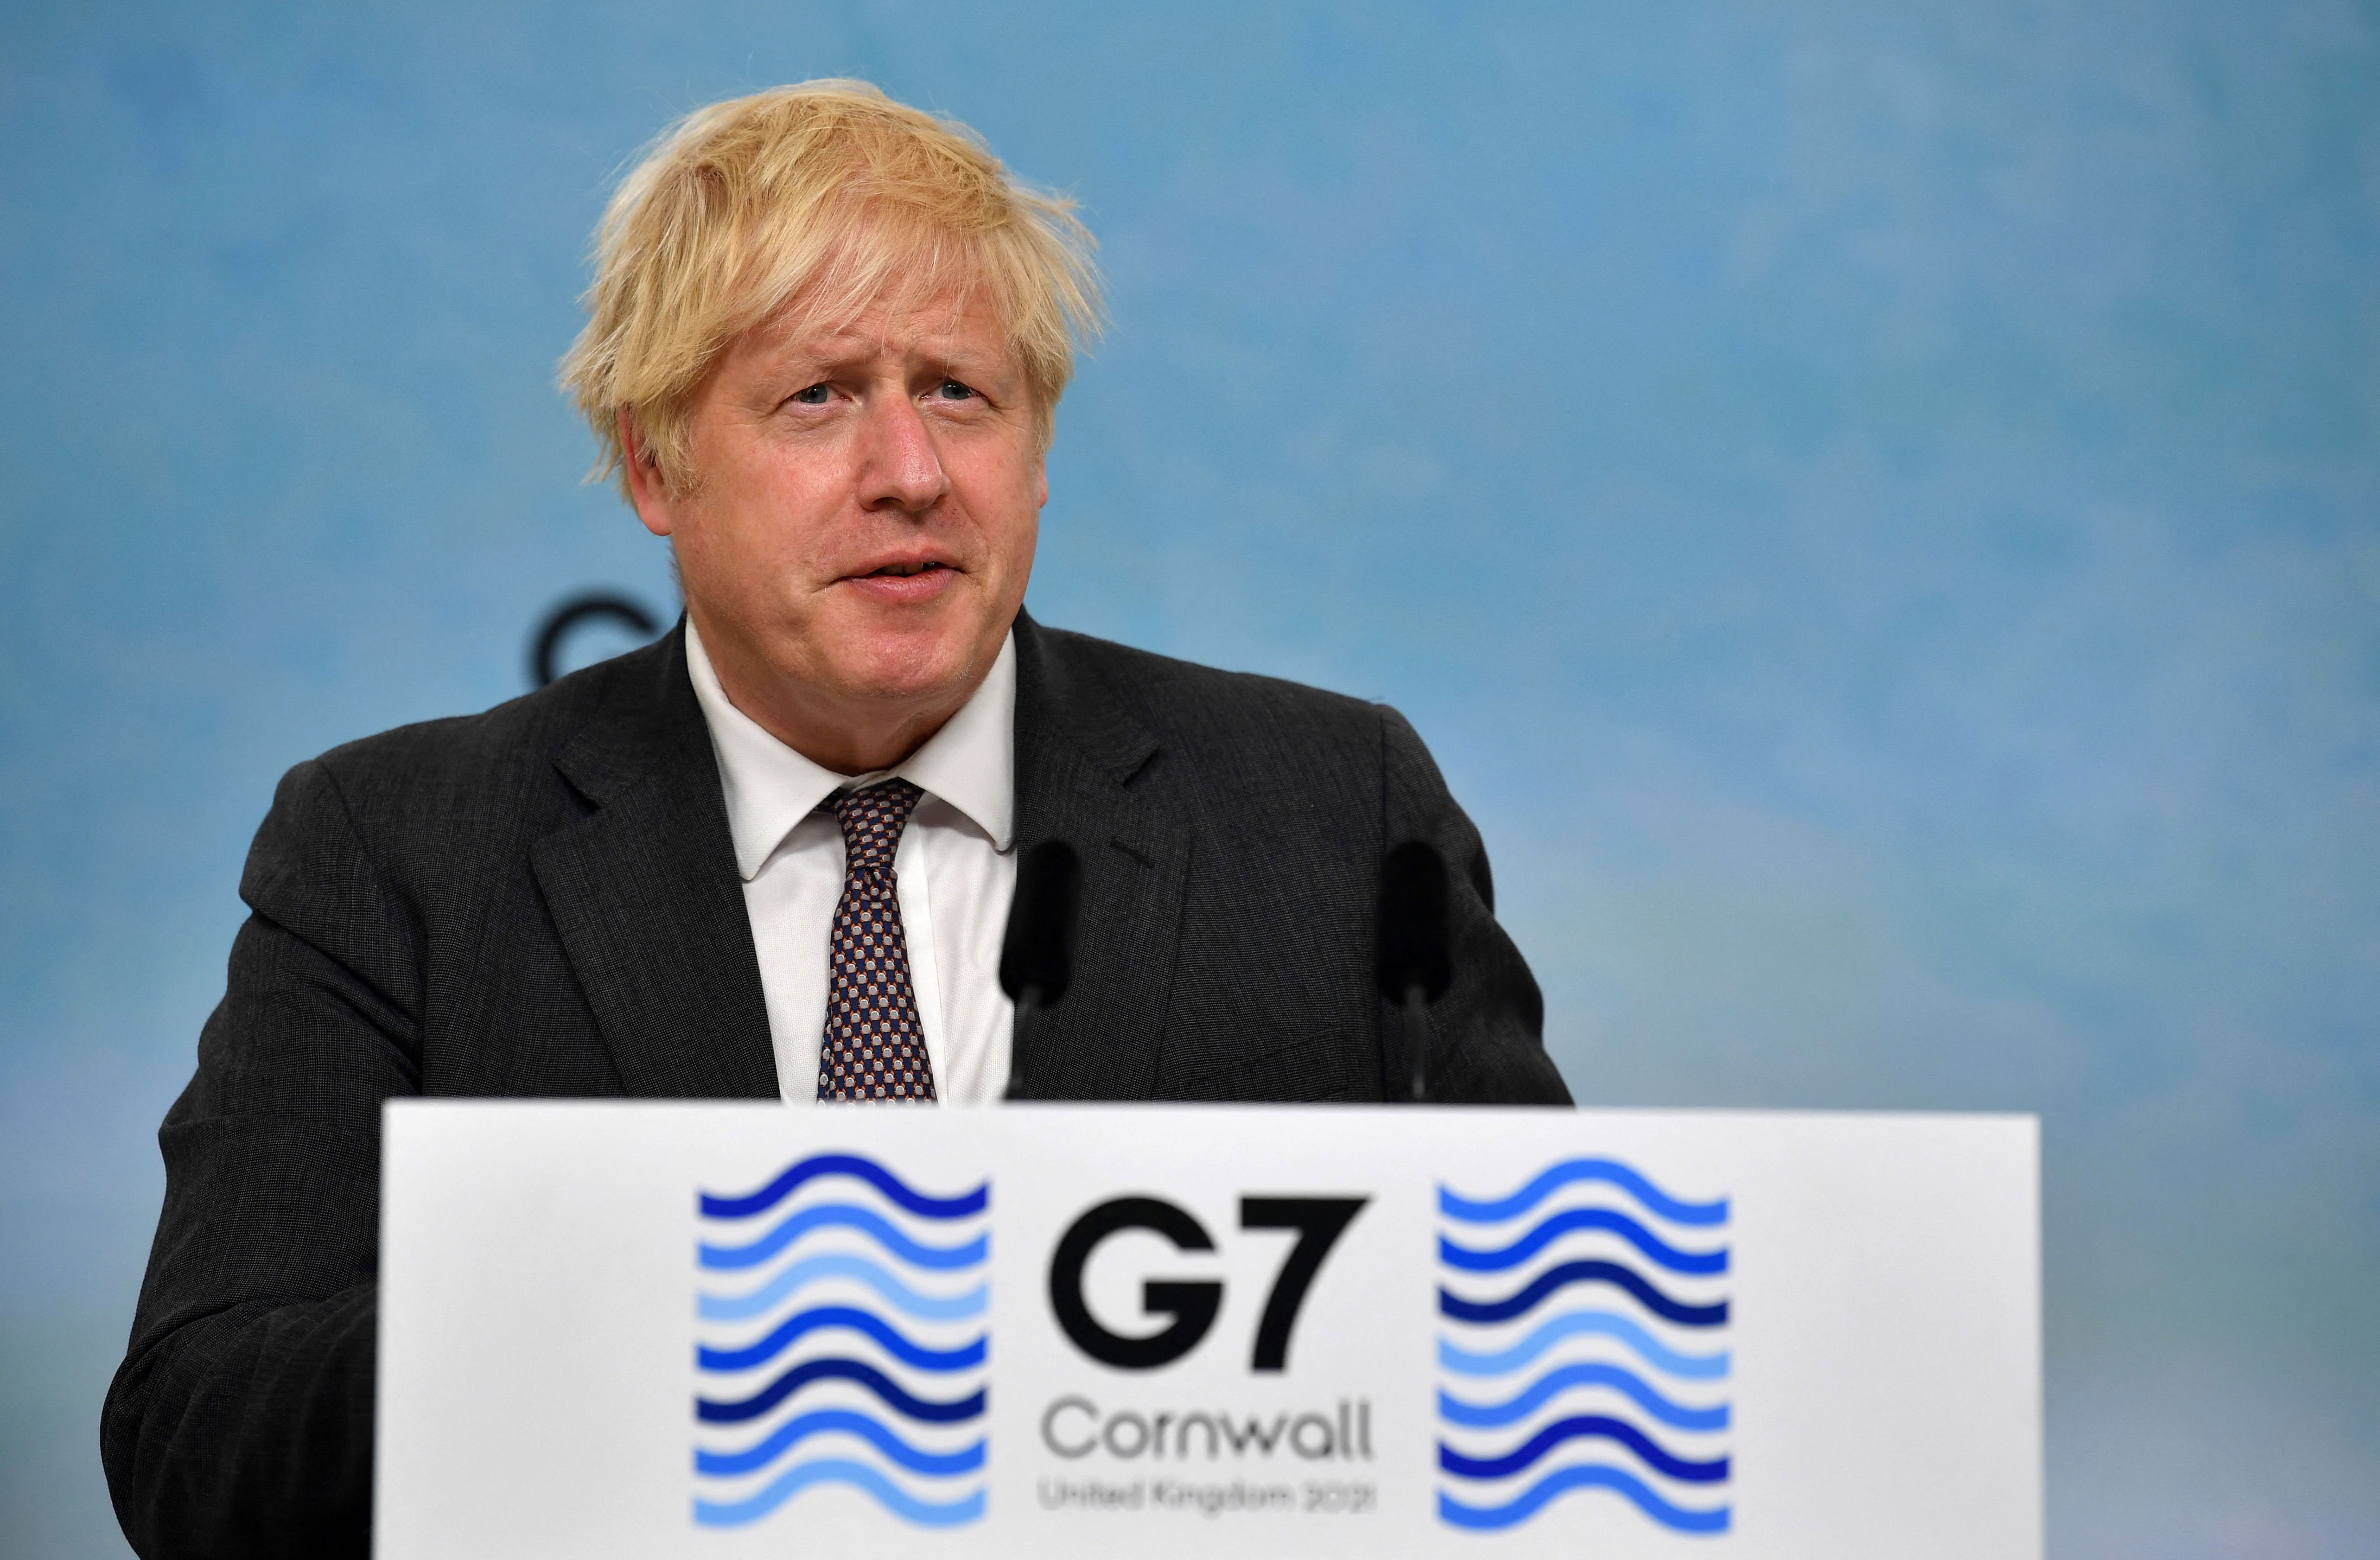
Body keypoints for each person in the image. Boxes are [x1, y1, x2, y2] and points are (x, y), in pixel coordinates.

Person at [101, 80, 1569, 1558]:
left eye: (959, 392)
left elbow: (1551, 1373)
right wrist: (711, 1296)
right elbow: (203, 1444)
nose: (912, 474)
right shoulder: (400, 850)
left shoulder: (1332, 811)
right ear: (652, 462)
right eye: (819, 397)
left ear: (1039, 447)